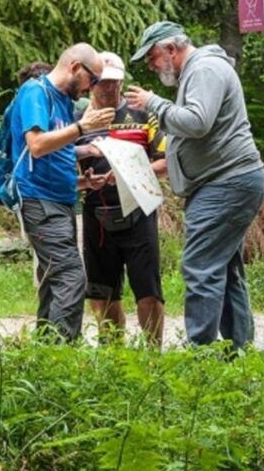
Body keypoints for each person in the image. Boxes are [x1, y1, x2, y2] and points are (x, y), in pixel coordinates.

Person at [125, 22, 264, 349]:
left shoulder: (204, 69)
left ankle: (199, 353)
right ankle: (239, 351)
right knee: (225, 269)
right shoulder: (198, 71)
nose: (151, 66)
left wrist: (154, 103)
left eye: (152, 57)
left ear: (170, 49)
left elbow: (198, 122)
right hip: (225, 182)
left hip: (225, 183)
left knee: (200, 267)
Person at [9, 43, 115, 342]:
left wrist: (84, 183)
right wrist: (82, 128)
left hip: (62, 201)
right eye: (93, 79)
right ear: (76, 67)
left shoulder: (64, 102)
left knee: (53, 280)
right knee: (71, 276)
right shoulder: (35, 92)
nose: (92, 88)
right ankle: (61, 352)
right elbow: (37, 145)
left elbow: (56, 157)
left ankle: (45, 351)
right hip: (39, 202)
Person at [75, 52, 168, 346]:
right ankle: (114, 356)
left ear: (122, 81)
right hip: (96, 214)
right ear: (91, 83)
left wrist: (129, 174)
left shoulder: (143, 115)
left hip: (139, 210)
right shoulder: (78, 121)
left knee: (149, 291)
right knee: (102, 292)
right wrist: (82, 180)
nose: (109, 88)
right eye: (102, 82)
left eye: (114, 82)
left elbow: (166, 162)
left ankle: (153, 357)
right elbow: (61, 161)